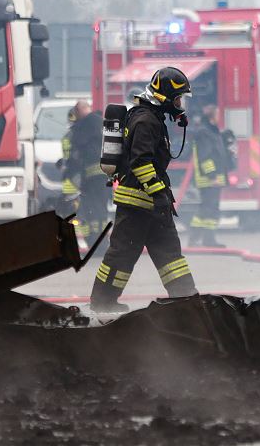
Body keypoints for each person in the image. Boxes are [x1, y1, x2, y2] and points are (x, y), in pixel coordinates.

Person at [88, 66, 198, 313]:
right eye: (178, 98)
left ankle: (187, 302)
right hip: (137, 203)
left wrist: (159, 198)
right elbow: (141, 162)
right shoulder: (146, 120)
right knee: (121, 255)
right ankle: (102, 302)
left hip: (153, 204)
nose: (180, 104)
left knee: (170, 256)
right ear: (165, 96)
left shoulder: (151, 117)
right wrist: (157, 193)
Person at [185, 101, 235, 248]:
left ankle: (209, 239)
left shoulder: (212, 132)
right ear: (212, 116)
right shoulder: (204, 133)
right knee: (206, 209)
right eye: (218, 114)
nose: (220, 116)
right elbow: (205, 157)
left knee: (211, 209)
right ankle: (195, 238)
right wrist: (212, 176)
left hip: (215, 178)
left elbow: (216, 154)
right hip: (208, 179)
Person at [59, 100, 108, 242]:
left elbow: (78, 149)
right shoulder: (100, 122)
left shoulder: (85, 124)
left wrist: (70, 169)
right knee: (100, 208)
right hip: (105, 175)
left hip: (92, 176)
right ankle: (100, 239)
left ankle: (95, 239)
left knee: (92, 208)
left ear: (79, 111)